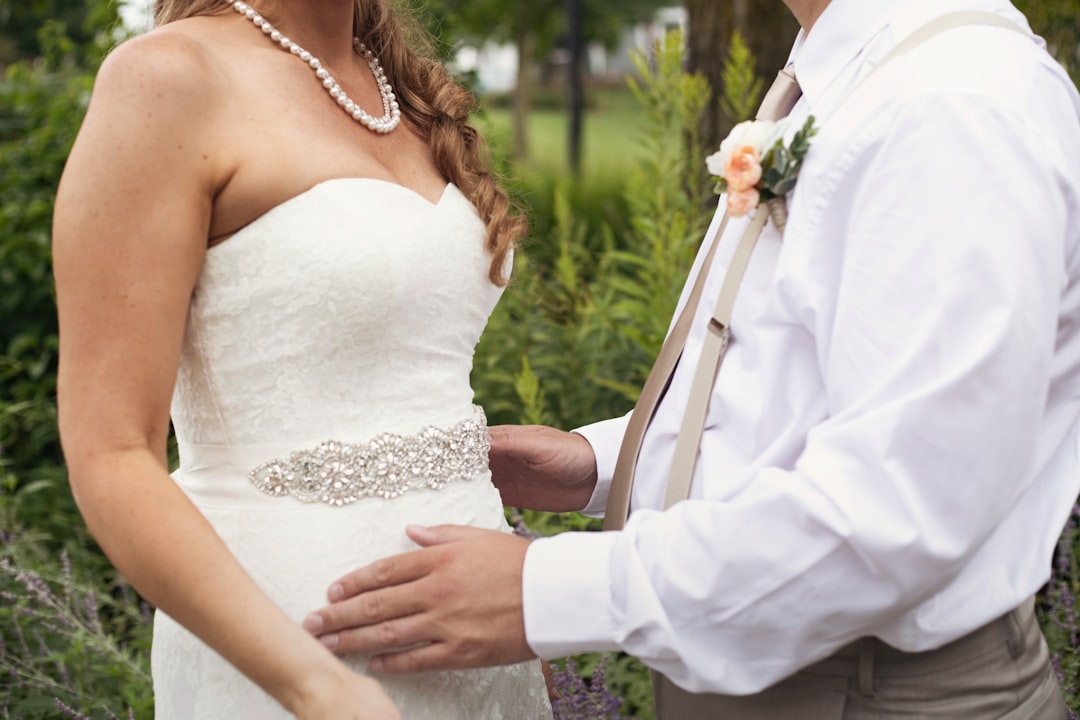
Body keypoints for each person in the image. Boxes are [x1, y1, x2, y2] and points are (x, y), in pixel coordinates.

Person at [304, 0, 1080, 717]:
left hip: (871, 691)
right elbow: (793, 387)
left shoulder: (949, 107)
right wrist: (605, 464)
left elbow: (898, 511)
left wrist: (547, 591)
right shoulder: (851, 71)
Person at [51, 0, 554, 717]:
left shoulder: (401, 91)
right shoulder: (167, 78)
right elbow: (110, 453)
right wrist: (315, 686)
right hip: (292, 653)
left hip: (485, 648)